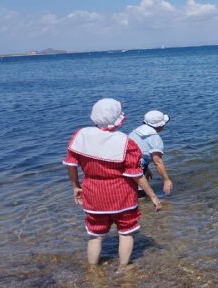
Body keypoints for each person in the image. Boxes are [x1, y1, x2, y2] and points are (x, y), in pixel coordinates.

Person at [63, 98, 161, 269]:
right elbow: (136, 174)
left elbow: (71, 164)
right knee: (126, 232)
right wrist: (153, 196)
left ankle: (93, 269)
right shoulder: (125, 142)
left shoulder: (81, 136)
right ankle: (123, 267)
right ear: (118, 118)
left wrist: (75, 187)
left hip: (93, 193)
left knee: (95, 235)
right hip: (121, 195)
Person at [129, 110, 173, 196]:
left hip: (127, 164)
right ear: (160, 125)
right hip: (136, 168)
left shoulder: (136, 131)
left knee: (131, 190)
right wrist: (166, 180)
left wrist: (147, 169)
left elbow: (140, 150)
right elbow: (158, 162)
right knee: (140, 193)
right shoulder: (155, 138)